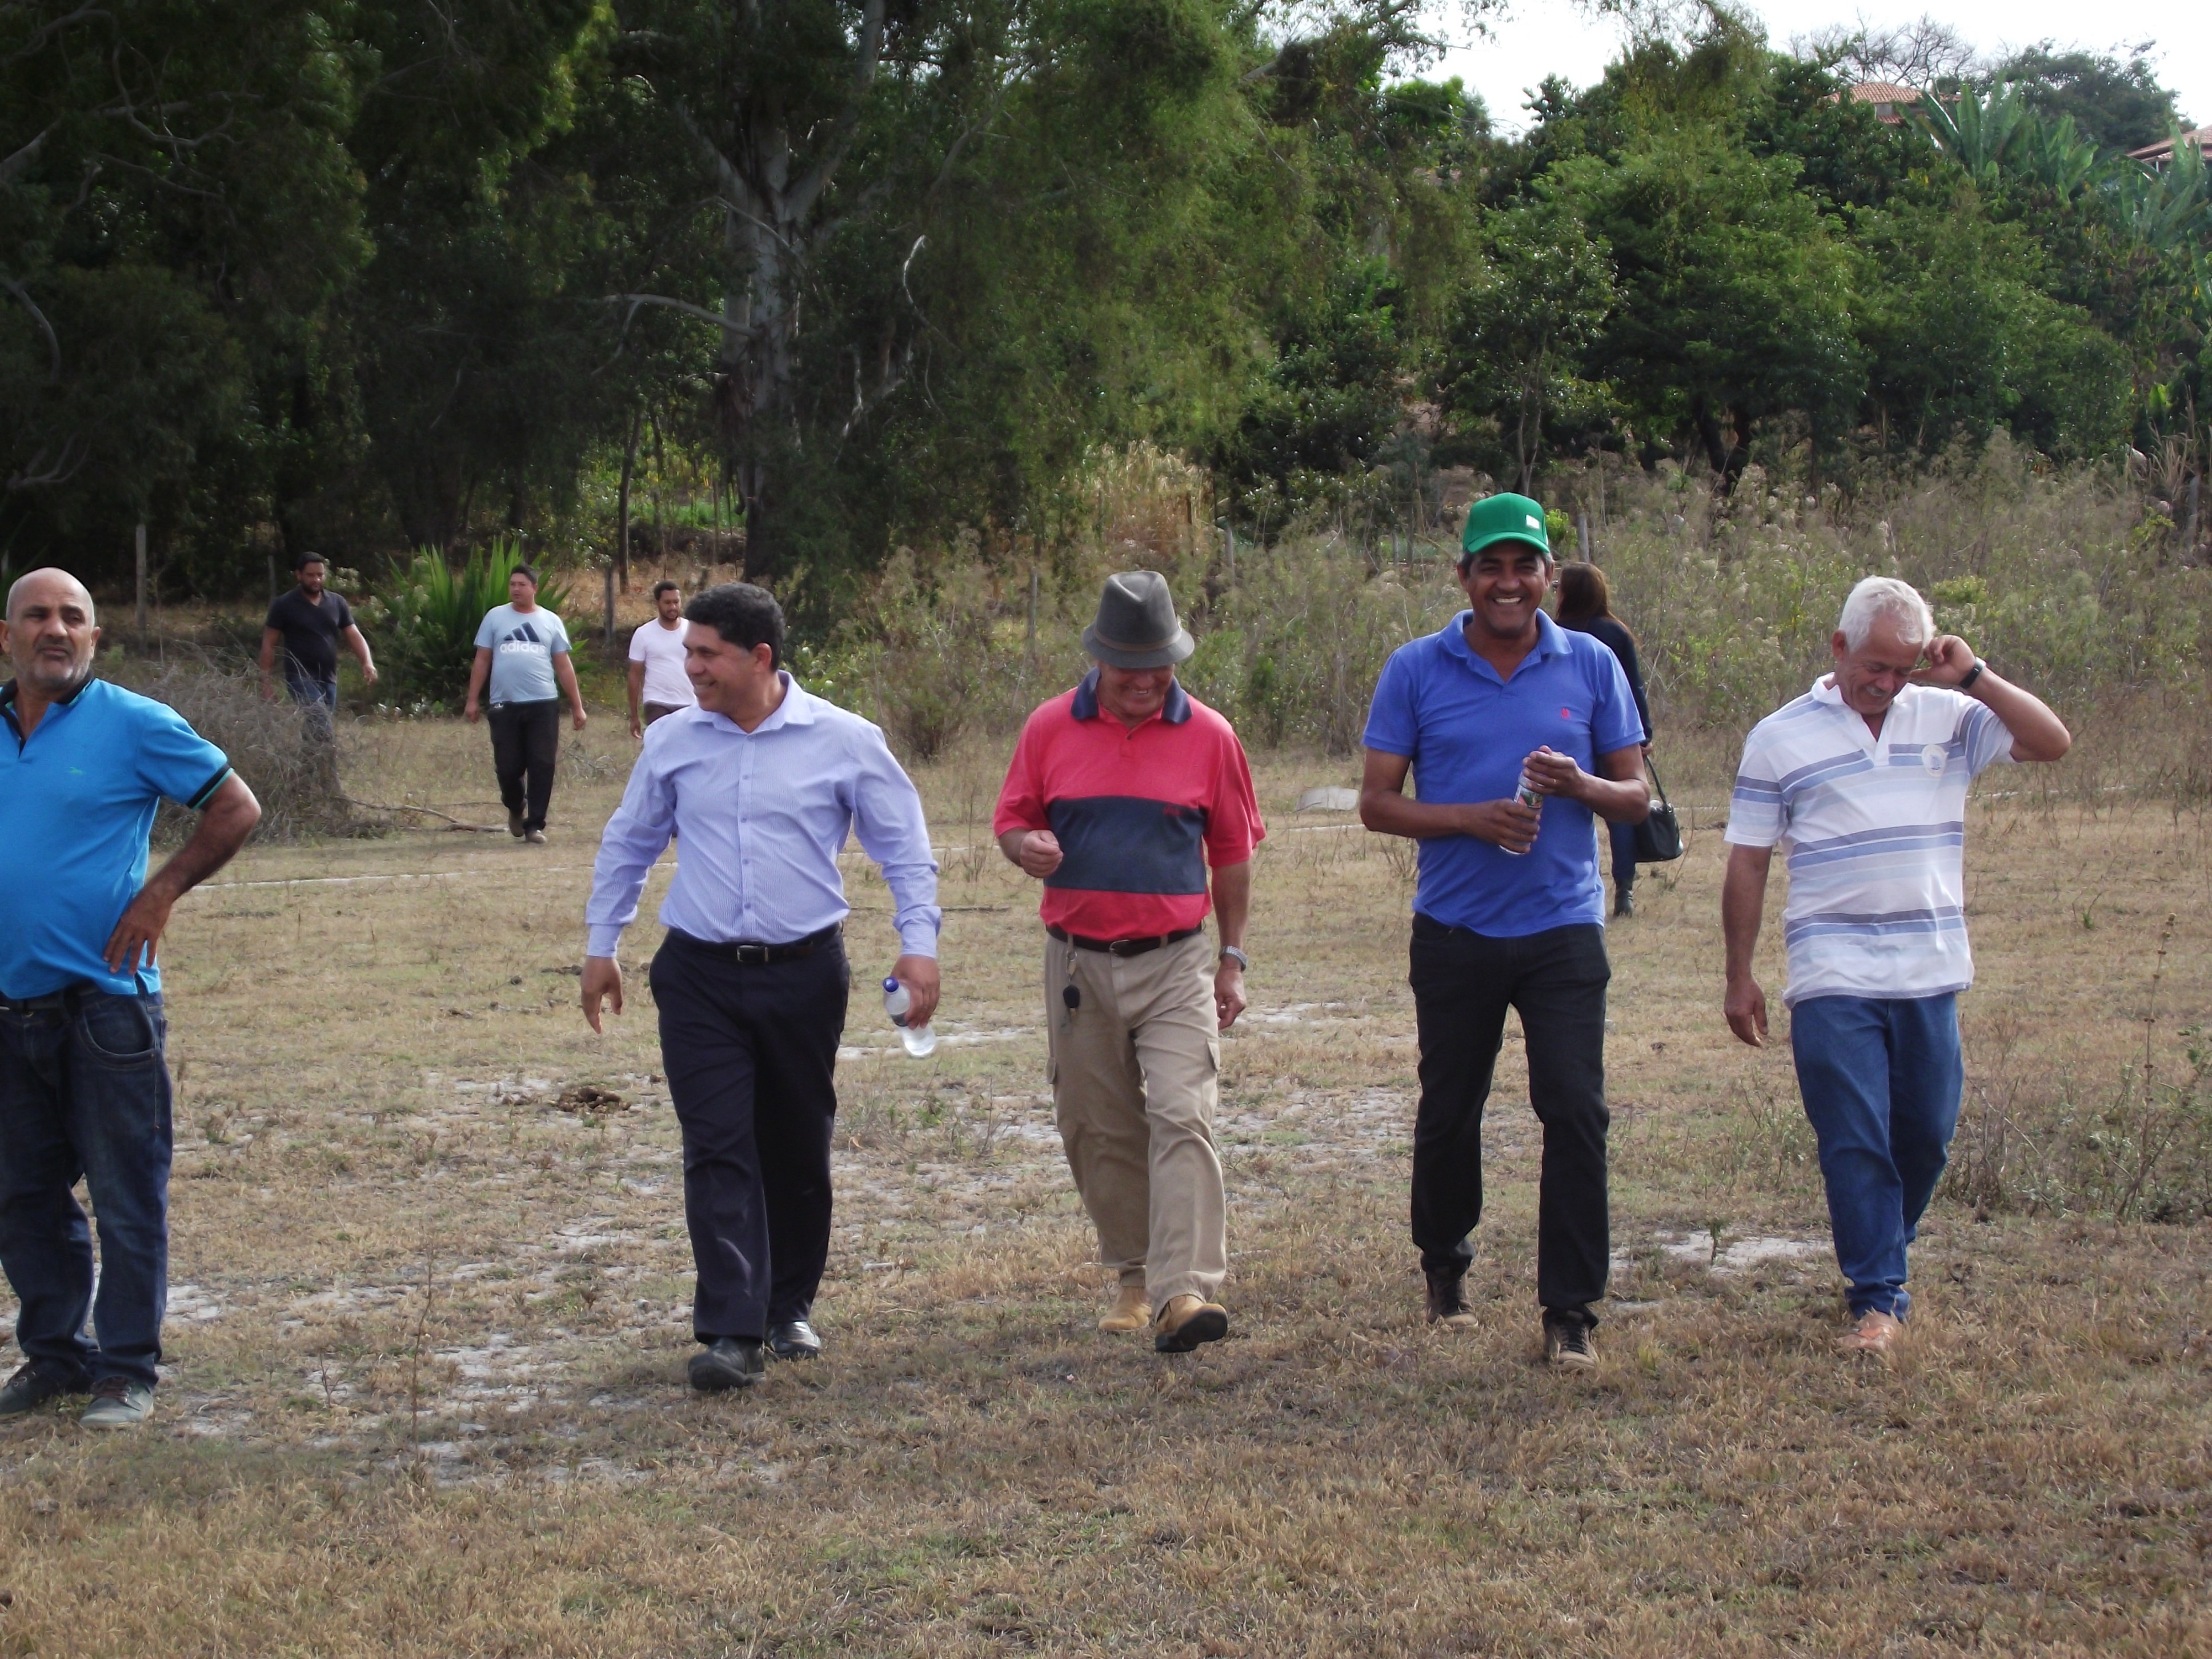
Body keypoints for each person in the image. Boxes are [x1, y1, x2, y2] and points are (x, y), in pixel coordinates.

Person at [581, 583, 940, 1393]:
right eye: (689, 651)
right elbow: (629, 843)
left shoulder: (844, 740)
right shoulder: (672, 743)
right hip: (699, 974)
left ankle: (788, 1308)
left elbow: (905, 849)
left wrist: (919, 948)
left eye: (708, 653)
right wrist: (603, 945)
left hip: (806, 975)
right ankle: (731, 1330)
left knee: (795, 1143)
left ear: (761, 658)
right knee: (716, 1145)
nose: (691, 666)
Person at [1722, 576, 2070, 1355]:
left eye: (1902, 670)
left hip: (1929, 967)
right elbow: (1747, 863)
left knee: (1924, 1136)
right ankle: (1878, 1298)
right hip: (1831, 972)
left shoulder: (1949, 715)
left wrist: (1973, 676)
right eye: (1873, 666)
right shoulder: (1779, 736)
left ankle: (1881, 1249)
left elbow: (2053, 743)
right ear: (1838, 648)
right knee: (1855, 1137)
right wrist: (1738, 974)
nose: (1885, 684)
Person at [1359, 494, 1649, 1371]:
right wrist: (1470, 820)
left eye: (1526, 567)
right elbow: (1376, 803)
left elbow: (1637, 796)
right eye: (1492, 566)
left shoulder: (1593, 665)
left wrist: (1581, 786)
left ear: (1549, 578)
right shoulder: (1415, 669)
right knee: (1451, 1109)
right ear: (1464, 577)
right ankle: (1444, 1270)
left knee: (1576, 1108)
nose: (1509, 583)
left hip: (1563, 928)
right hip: (1454, 931)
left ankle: (1571, 1314)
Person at [0, 569, 262, 1429]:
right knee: (22, 1195)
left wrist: (162, 893)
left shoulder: (133, 722)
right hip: (9, 1009)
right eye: (37, 615)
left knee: (125, 1197)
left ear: (94, 639)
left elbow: (235, 805)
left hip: (106, 1006)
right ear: (6, 635)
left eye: (73, 618)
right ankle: (55, 1358)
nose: (55, 630)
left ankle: (126, 1370)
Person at [994, 571, 1263, 1355]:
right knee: (1098, 1125)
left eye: (1161, 669)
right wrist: (1027, 849)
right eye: (1129, 672)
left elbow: (1233, 856)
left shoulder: (1212, 736)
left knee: (1183, 1112)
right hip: (1079, 963)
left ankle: (1185, 1294)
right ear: (1098, 661)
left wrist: (1234, 961)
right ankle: (1134, 1277)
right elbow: (1013, 820)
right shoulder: (1049, 728)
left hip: (1177, 960)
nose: (1147, 685)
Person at [1553, 562, 1652, 917]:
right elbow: (1634, 688)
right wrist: (1643, 734)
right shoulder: (1615, 632)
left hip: (1567, 736)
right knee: (1618, 812)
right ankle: (1624, 889)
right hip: (1610, 736)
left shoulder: (1554, 631)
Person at [463, 563, 587, 843]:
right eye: (512, 584)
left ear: (534, 589)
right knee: (508, 767)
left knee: (542, 763)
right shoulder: (495, 617)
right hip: (504, 704)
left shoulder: (551, 621)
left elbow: (563, 665)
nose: (516, 589)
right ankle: (515, 805)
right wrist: (473, 700)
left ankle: (535, 825)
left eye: (522, 584)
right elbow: (482, 660)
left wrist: (577, 705)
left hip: (542, 703)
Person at [259, 554, 377, 734]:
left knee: (317, 727)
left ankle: (308, 760)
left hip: (329, 677)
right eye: (311, 575)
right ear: (299, 575)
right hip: (300, 677)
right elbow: (269, 644)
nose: (317, 580)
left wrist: (367, 662)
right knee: (320, 719)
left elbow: (353, 634)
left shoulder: (337, 603)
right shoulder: (284, 605)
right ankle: (329, 761)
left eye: (320, 575)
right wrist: (266, 684)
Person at [627, 579, 695, 739]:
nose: (672, 607)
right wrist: (634, 716)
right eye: (667, 603)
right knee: (661, 747)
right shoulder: (644, 634)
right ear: (657, 603)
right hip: (657, 701)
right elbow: (634, 675)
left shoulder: (692, 630)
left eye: (676, 602)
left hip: (690, 702)